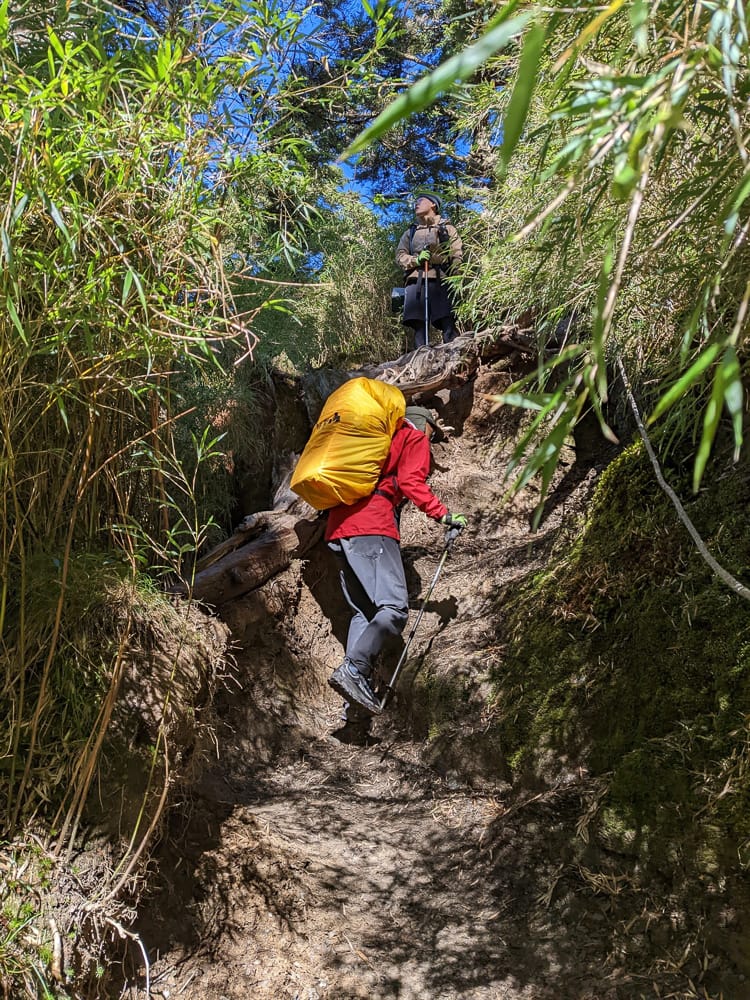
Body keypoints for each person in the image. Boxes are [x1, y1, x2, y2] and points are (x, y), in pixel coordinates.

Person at [326, 405, 468, 724]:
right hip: (371, 527)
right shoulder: (413, 435)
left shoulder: (373, 446)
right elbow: (410, 482)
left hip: (338, 529)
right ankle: (353, 670)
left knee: (364, 612)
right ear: (425, 425)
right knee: (393, 608)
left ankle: (354, 706)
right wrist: (442, 513)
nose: (431, 442)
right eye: (433, 434)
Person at [396, 193, 463, 348]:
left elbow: (456, 253)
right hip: (415, 281)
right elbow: (400, 255)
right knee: (419, 324)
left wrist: (456, 277)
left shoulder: (447, 228)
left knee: (447, 320)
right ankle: (420, 357)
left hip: (441, 279)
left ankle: (455, 354)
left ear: (433, 205)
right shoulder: (410, 232)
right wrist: (416, 260)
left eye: (421, 201)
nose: (416, 204)